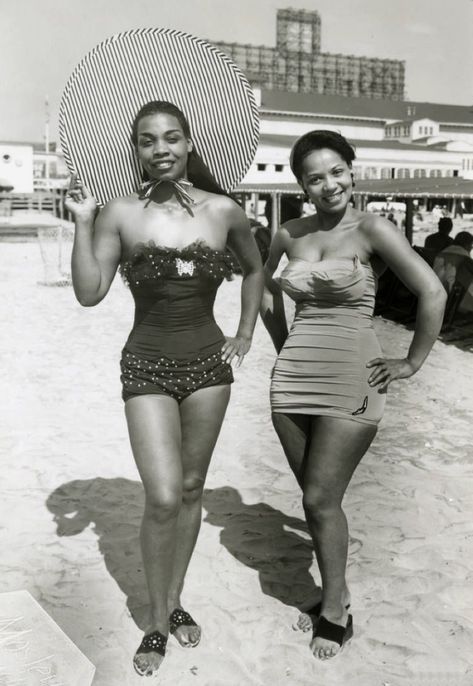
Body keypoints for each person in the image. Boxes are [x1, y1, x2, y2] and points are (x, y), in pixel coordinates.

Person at [66, 100, 263, 677]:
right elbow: (89, 291)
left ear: (188, 143)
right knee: (163, 495)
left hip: (209, 366)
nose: (162, 149)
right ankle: (155, 621)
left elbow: (255, 269)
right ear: (137, 151)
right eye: (149, 140)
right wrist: (82, 219)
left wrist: (246, 331)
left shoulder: (224, 209)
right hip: (147, 366)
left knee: (194, 486)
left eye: (172, 138)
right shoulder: (119, 213)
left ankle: (175, 601)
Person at [260, 130, 446, 661]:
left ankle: (335, 612)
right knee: (318, 501)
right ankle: (335, 589)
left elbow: (431, 291)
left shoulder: (373, 229)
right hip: (293, 378)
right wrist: (282, 348)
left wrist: (410, 362)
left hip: (353, 377)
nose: (329, 184)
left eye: (337, 171)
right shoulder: (287, 234)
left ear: (352, 170)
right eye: (315, 177)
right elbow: (269, 293)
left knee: (319, 498)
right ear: (302, 185)